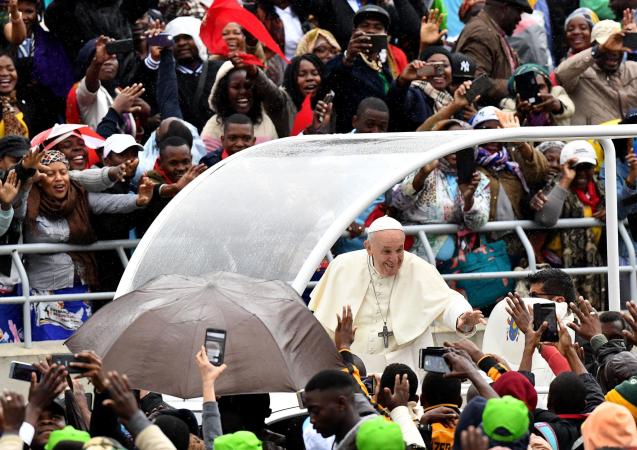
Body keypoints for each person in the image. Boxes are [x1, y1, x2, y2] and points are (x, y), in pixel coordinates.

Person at [309, 215, 485, 375]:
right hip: (355, 363)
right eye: (387, 251)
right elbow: (323, 317)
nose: (394, 259)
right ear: (369, 247)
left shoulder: (418, 268)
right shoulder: (343, 266)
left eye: (399, 250)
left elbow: (447, 302)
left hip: (405, 363)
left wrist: (461, 318)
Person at [21, 150, 154, 340]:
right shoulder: (29, 201)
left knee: (79, 348)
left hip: (78, 289)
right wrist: (26, 178)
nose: (59, 179)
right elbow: (15, 204)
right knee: (46, 350)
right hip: (43, 292)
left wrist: (138, 201)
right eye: (50, 174)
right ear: (40, 180)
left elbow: (109, 203)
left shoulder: (78, 197)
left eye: (63, 172)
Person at [393, 119, 490, 262]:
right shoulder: (425, 168)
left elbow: (477, 224)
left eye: (462, 143)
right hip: (415, 257)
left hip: (458, 263)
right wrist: (421, 176)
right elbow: (397, 203)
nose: (456, 149)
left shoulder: (478, 180)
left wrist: (469, 200)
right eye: (450, 142)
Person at [534, 140, 606, 308]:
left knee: (590, 312)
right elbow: (546, 219)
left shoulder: (601, 189)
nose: (581, 172)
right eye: (576, 167)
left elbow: (623, 210)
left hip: (591, 266)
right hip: (558, 266)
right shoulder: (554, 186)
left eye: (586, 167)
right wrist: (566, 178)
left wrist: (610, 210)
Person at [324, 5, 395, 133]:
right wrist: (348, 58)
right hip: (351, 138)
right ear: (354, 32)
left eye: (377, 27)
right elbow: (329, 87)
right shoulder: (342, 62)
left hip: (381, 137)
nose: (371, 30)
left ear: (386, 35)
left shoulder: (385, 70)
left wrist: (402, 83)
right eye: (365, 25)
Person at [555, 20, 637, 125]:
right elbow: (561, 74)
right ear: (594, 46)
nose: (613, 51)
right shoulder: (580, 71)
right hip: (594, 135)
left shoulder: (633, 69)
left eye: (618, 45)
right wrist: (598, 50)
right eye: (607, 46)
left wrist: (633, 41)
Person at [201, 56, 289, 151]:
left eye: (248, 86)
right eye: (236, 87)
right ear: (224, 91)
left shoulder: (266, 123)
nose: (243, 92)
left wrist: (255, 72)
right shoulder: (213, 129)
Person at [454, 0, 533, 102]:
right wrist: (512, 85)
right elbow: (474, 85)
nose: (519, 19)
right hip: (483, 110)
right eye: (518, 12)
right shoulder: (481, 33)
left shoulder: (492, 30)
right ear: (505, 9)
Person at [303, 369, 373, 450]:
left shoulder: (376, 440)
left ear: (341, 404)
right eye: (309, 413)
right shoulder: (347, 444)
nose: (311, 420)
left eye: (315, 411)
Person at [500, 64, 575, 126]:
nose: (537, 92)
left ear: (548, 86)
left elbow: (570, 108)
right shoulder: (510, 104)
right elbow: (504, 124)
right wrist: (520, 115)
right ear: (517, 92)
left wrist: (557, 106)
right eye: (527, 89)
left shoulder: (556, 93)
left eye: (541, 87)